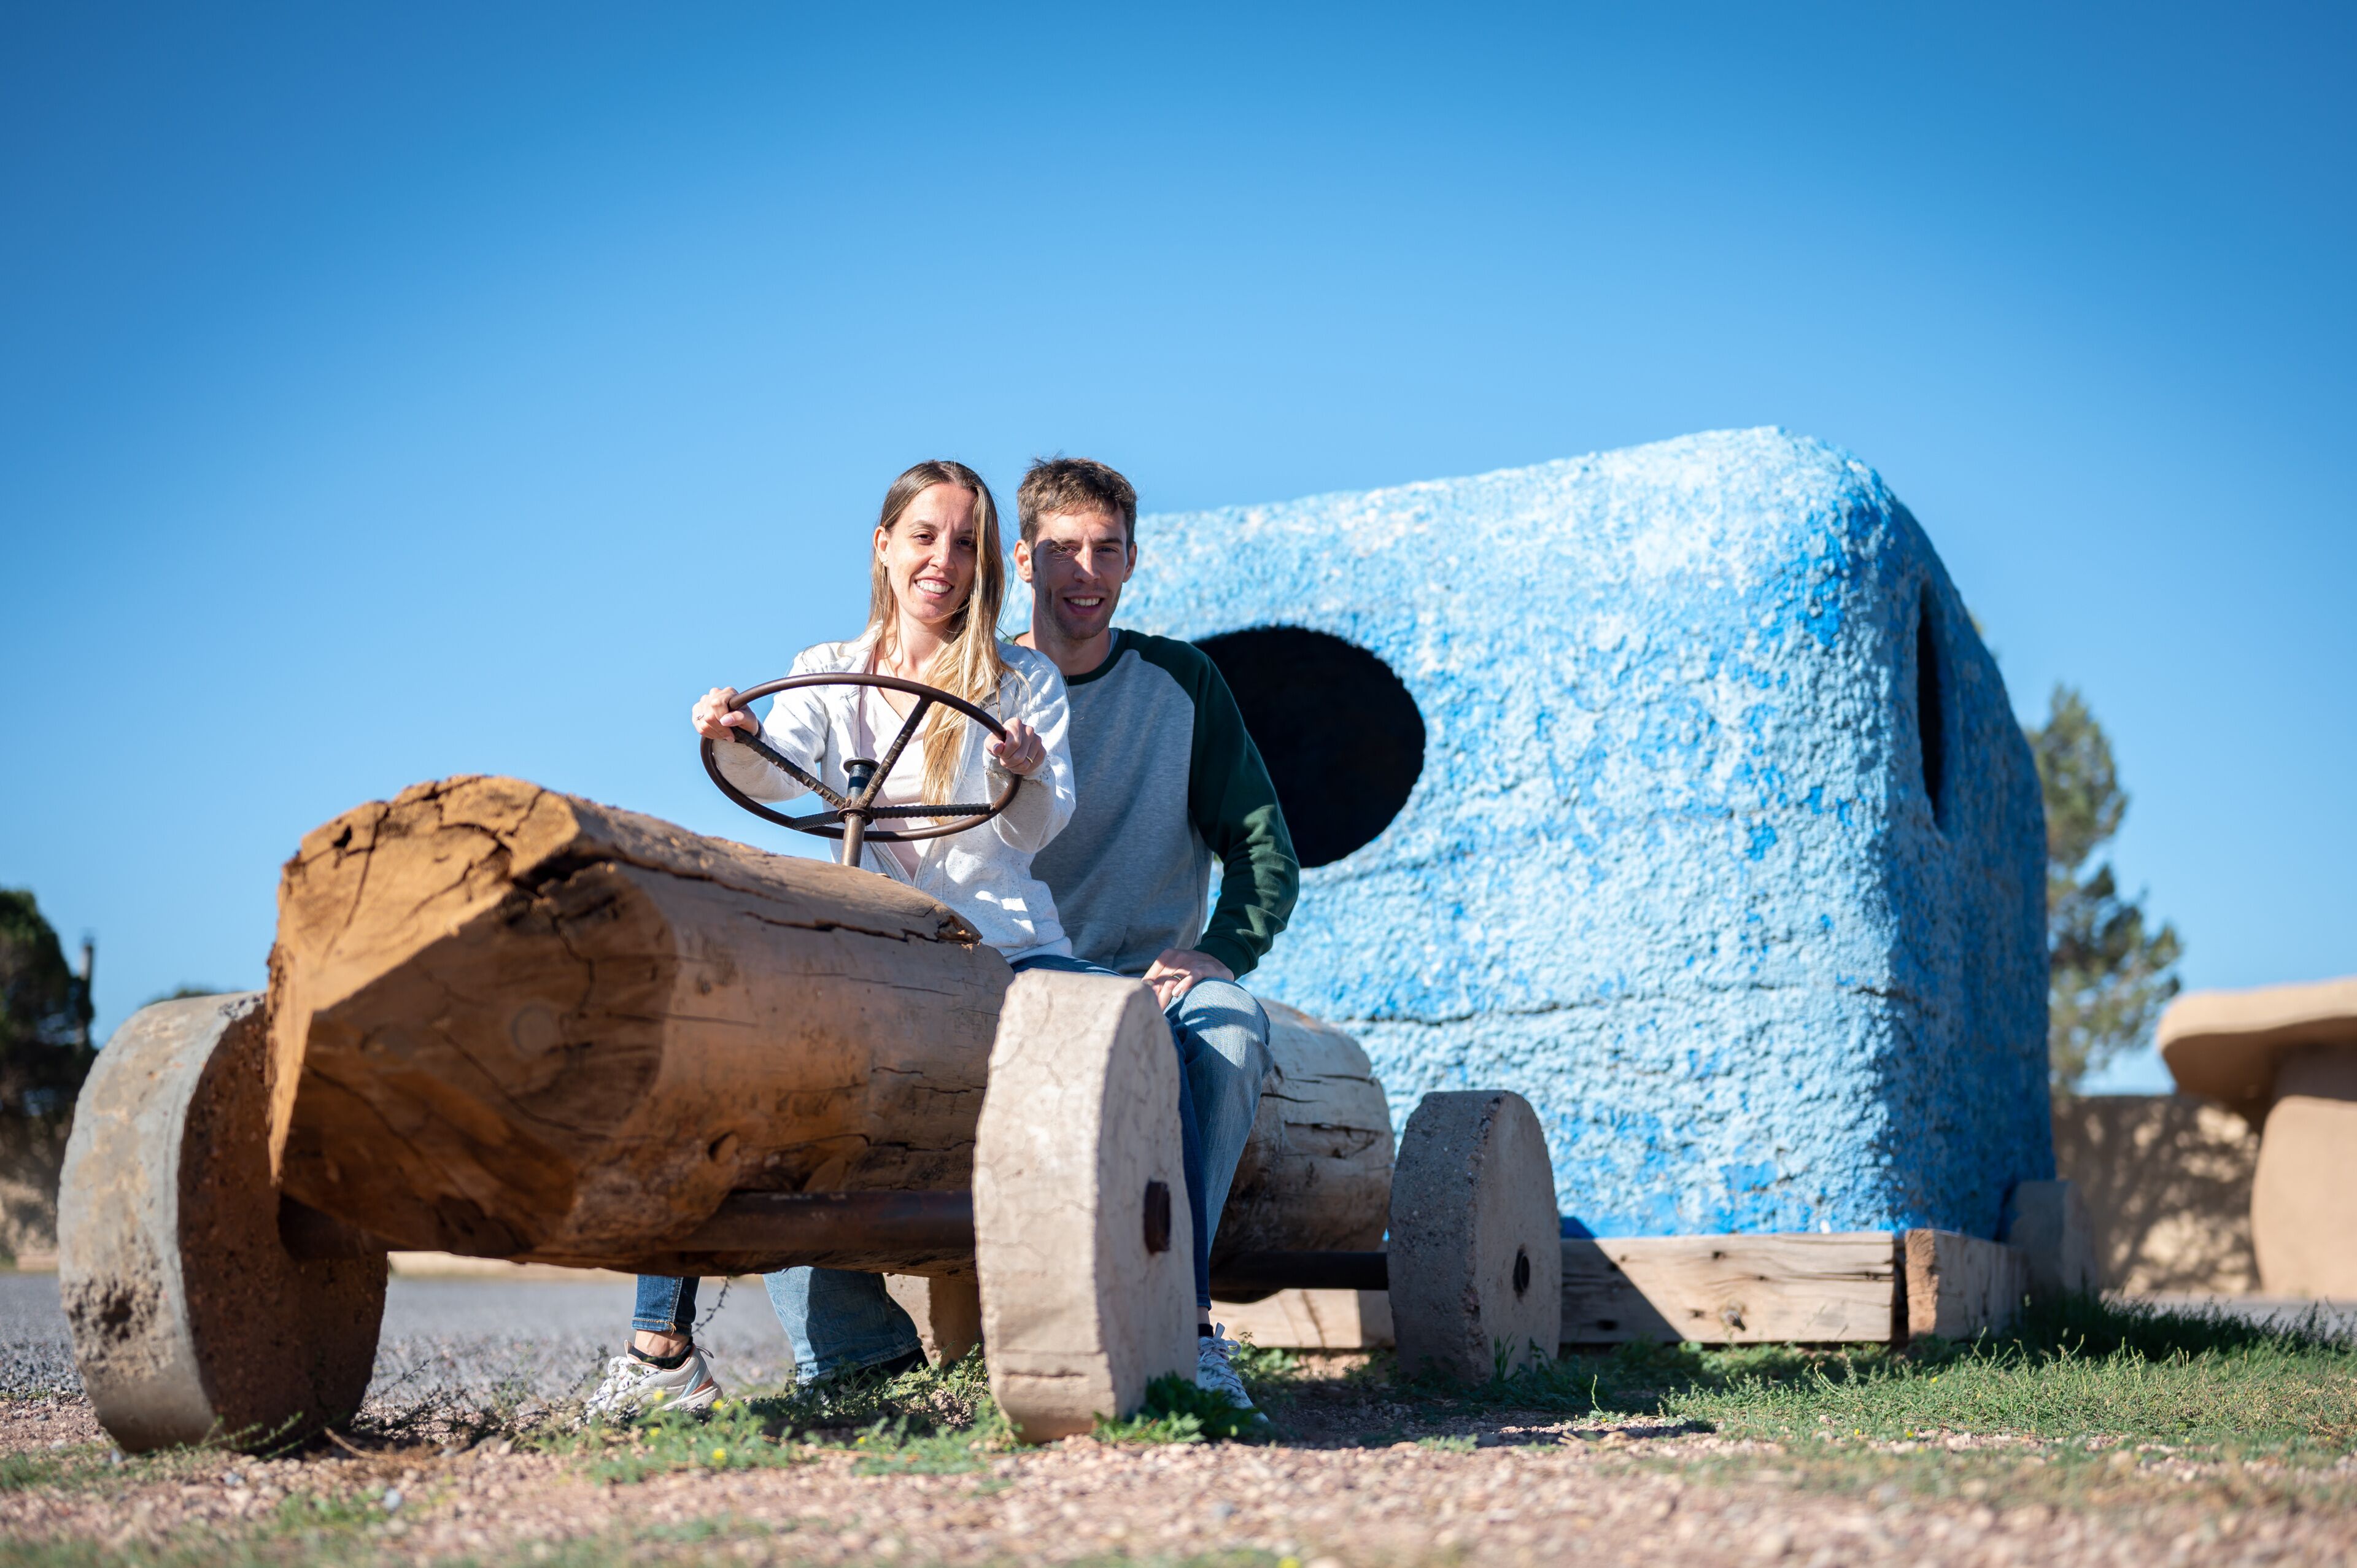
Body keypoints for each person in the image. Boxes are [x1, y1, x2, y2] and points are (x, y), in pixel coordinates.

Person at [585, 458, 1074, 1421]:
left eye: (965, 543)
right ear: (884, 546)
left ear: (985, 565)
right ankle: (666, 1352)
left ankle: (907, 1345)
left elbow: (1035, 830)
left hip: (999, 945)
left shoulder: (1023, 681)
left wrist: (1018, 772)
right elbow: (777, 770)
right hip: (883, 950)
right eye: (924, 536)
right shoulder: (829, 673)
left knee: (1094, 1040)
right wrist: (734, 735)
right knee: (734, 1054)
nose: (943, 560)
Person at [1012, 457, 1299, 1418]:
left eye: (1107, 550)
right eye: (1063, 549)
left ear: (1133, 561)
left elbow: (1264, 849)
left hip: (1150, 983)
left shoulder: (1183, 683)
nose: (1086, 571)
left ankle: (1184, 1317)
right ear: (1024, 559)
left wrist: (1218, 952)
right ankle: (854, 1352)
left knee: (1232, 1028)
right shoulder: (979, 684)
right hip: (1012, 978)